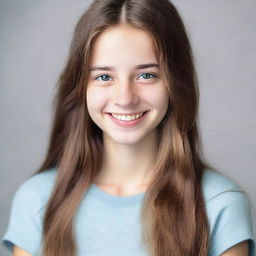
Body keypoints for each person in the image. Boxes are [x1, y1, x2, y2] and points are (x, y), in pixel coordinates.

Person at [2, 0, 255, 255]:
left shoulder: (218, 203)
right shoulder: (37, 201)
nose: (125, 98)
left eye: (146, 75)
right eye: (104, 77)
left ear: (175, 83)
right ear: (80, 88)